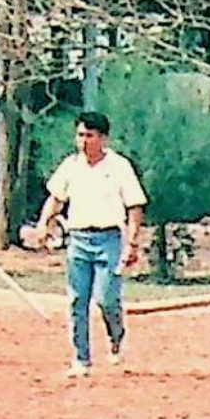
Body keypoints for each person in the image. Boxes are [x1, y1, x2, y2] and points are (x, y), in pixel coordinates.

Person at [37, 111, 148, 377]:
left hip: (109, 239)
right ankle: (81, 358)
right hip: (78, 239)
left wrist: (132, 242)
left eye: (89, 135)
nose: (83, 141)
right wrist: (43, 223)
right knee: (77, 300)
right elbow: (56, 198)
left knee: (106, 297)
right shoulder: (71, 166)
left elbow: (134, 205)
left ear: (103, 138)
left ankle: (116, 334)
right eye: (80, 135)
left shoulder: (119, 166)